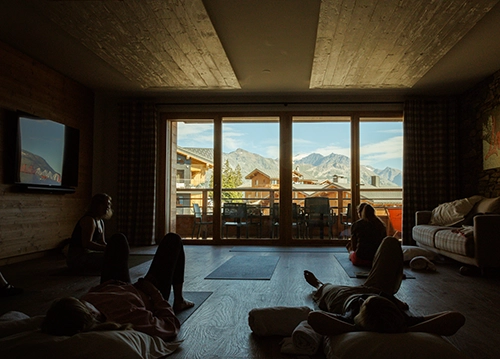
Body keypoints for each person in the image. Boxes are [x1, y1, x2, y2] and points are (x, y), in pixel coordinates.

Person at [42, 232, 194, 341]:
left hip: (115, 285)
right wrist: (153, 291)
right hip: (145, 291)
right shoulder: (128, 316)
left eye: (82, 301)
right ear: (93, 315)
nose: (86, 301)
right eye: (86, 305)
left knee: (117, 240)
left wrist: (109, 286)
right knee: (172, 240)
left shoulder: (84, 303)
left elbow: (94, 293)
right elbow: (170, 327)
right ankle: (178, 300)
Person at [304, 236, 465, 336]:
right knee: (390, 242)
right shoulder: (401, 320)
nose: (363, 300)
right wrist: (407, 330)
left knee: (323, 286)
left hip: (343, 296)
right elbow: (457, 318)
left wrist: (355, 328)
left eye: (364, 304)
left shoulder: (349, 316)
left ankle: (317, 282)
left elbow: (314, 318)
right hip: (376, 288)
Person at [67, 193, 122, 273]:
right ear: (97, 205)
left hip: (89, 254)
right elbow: (87, 244)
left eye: (109, 204)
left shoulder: (101, 221)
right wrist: (108, 249)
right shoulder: (89, 220)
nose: (108, 206)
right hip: (78, 258)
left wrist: (112, 249)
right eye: (105, 204)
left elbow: (102, 242)